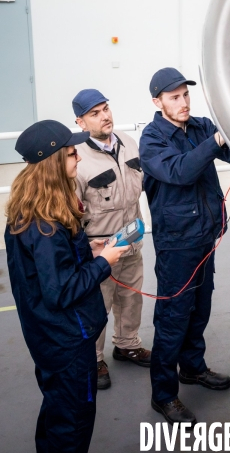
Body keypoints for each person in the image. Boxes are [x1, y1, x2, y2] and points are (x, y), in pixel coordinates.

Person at [5, 120, 129, 453]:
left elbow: (45, 271)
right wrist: (106, 262)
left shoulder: (28, 212)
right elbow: (61, 291)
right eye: (72, 154)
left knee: (56, 411)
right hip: (67, 344)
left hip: (46, 338)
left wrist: (89, 250)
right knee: (73, 422)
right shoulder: (47, 226)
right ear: (54, 162)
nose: (78, 160)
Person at [139, 67, 230, 427]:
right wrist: (215, 143)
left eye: (185, 95)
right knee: (172, 319)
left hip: (205, 236)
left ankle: (193, 368)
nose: (183, 103)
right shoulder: (152, 139)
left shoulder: (197, 126)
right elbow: (180, 171)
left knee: (199, 308)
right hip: (176, 245)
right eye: (174, 97)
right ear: (157, 101)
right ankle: (163, 395)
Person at [72, 89, 151, 390]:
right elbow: (71, 214)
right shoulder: (77, 160)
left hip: (132, 238)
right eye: (94, 113)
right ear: (80, 122)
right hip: (100, 248)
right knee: (98, 305)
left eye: (105, 108)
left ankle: (127, 344)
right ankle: (94, 359)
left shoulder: (129, 144)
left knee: (131, 298)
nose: (105, 115)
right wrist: (86, 251)